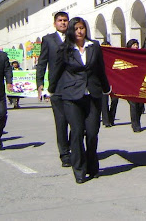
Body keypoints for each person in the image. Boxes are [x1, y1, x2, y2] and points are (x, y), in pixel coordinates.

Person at [48, 17, 111, 184]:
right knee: (76, 132)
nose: (79, 31)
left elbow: (100, 68)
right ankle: (79, 170)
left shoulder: (94, 47)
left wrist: (106, 88)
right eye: (76, 28)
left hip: (92, 95)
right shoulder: (65, 49)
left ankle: (92, 165)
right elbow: (56, 70)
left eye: (82, 28)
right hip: (71, 96)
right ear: (71, 31)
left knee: (91, 133)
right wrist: (51, 89)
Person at [36, 11, 72, 168]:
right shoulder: (48, 40)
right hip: (56, 87)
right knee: (61, 121)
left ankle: (73, 148)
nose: (63, 23)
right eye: (60, 20)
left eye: (65, 20)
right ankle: (64, 154)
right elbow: (42, 62)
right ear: (55, 23)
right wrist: (40, 83)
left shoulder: (74, 38)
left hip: (73, 85)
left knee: (76, 122)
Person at [125, 39, 145, 132]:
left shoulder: (140, 56)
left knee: (140, 106)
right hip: (130, 84)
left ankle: (137, 121)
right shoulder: (126, 57)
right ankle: (135, 125)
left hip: (140, 84)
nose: (136, 46)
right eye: (134, 45)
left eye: (137, 44)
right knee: (133, 105)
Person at [99, 41, 118, 127]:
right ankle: (106, 121)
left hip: (113, 81)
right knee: (104, 101)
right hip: (103, 81)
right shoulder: (99, 57)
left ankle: (111, 117)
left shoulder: (113, 57)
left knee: (114, 100)